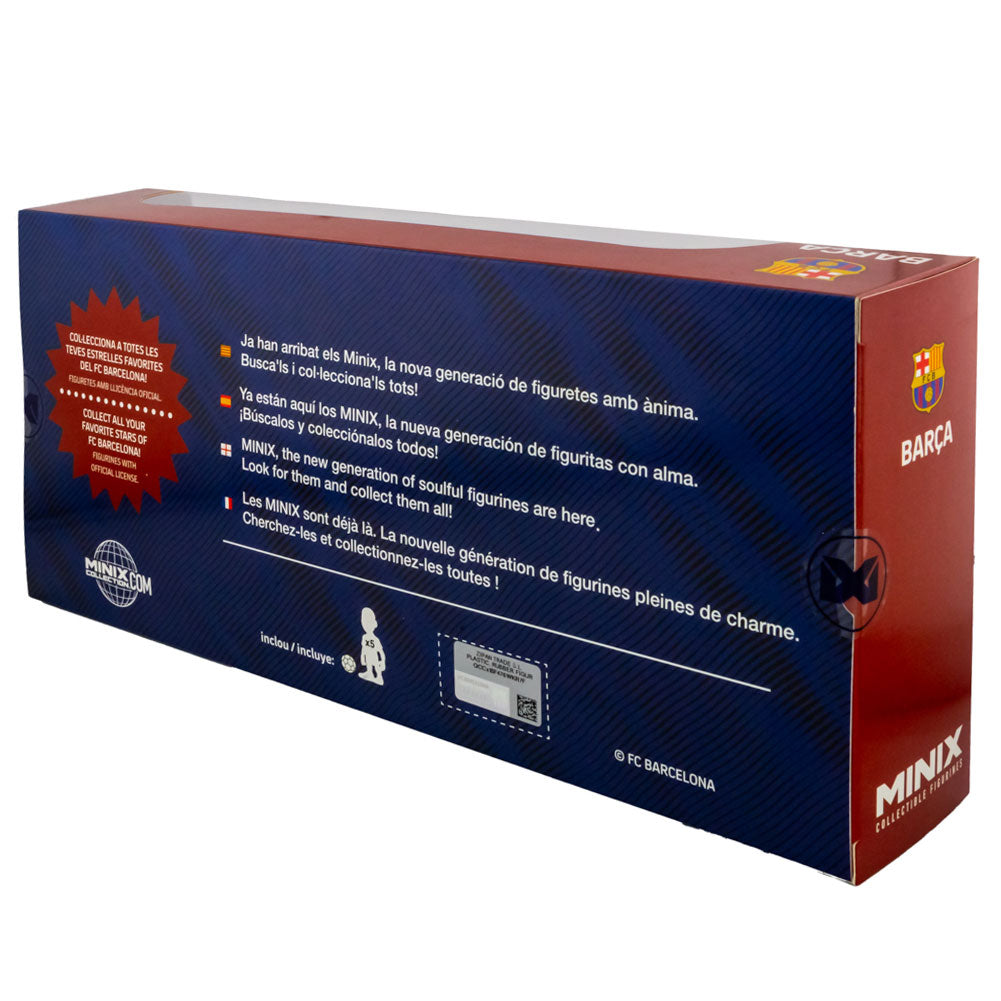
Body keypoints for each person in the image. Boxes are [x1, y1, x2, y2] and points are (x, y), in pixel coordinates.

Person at [357, 606, 386, 685]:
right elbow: (363, 648)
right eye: (364, 622)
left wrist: (383, 661)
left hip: (374, 656)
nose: (365, 625)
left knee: (376, 666)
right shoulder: (364, 637)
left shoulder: (375, 639)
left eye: (368, 622)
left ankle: (379, 677)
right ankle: (369, 673)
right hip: (368, 655)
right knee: (369, 665)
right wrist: (362, 657)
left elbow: (380, 651)